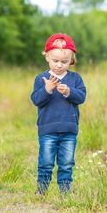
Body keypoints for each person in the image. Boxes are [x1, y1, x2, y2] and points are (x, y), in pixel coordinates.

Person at [30, 33, 87, 196]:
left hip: (69, 129)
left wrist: (69, 91)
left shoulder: (75, 78)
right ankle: (41, 190)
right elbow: (36, 99)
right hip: (47, 129)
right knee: (46, 162)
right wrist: (47, 90)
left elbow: (81, 97)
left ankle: (65, 191)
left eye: (64, 61)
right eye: (55, 61)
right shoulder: (41, 78)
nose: (59, 65)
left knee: (67, 162)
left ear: (72, 60)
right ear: (47, 57)